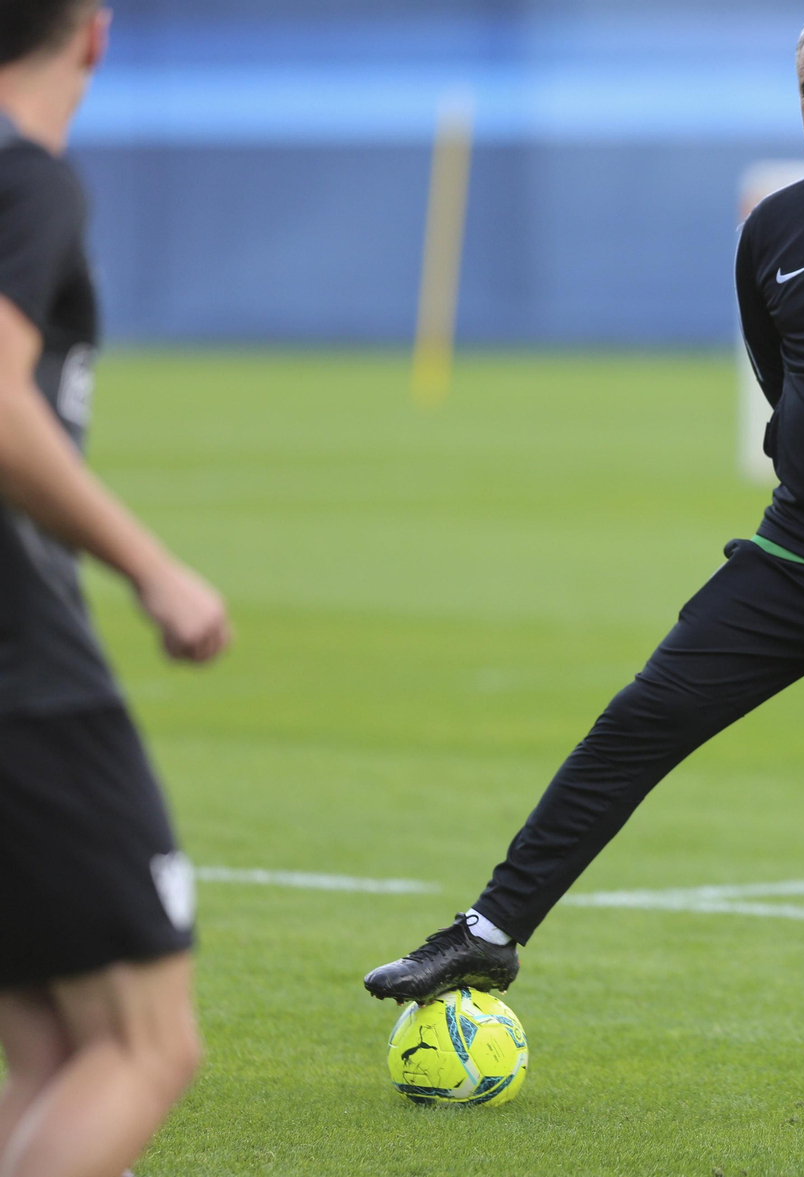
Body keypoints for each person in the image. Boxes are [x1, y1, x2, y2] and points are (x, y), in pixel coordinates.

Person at [363, 1, 804, 1110]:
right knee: (638, 720)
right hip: (792, 551)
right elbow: (781, 374)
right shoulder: (771, 228)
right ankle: (489, 932)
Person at [0, 2, 233, 1174]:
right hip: (20, 664)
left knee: (54, 1048)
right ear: (92, 34)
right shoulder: (25, 178)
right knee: (146, 1043)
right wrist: (153, 568)